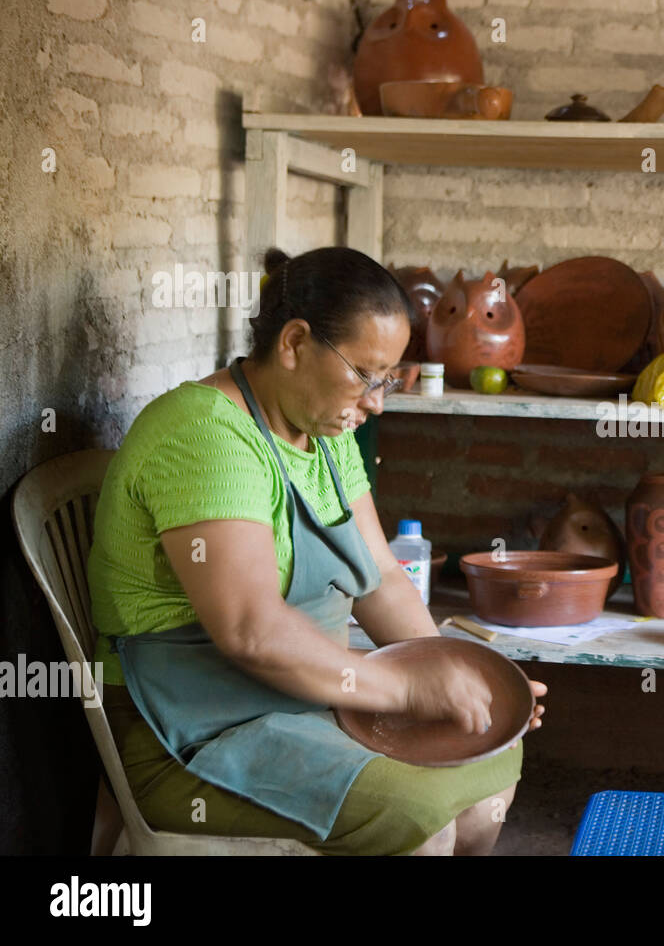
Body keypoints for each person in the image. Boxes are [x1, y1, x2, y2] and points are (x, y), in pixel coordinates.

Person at [88, 246, 545, 855]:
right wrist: (407, 688)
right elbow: (251, 629)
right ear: (295, 343)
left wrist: (458, 675)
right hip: (193, 734)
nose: (378, 401)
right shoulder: (204, 434)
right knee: (419, 814)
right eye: (365, 374)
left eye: (389, 379)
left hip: (303, 701)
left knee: (490, 756)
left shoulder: (323, 434)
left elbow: (380, 575)